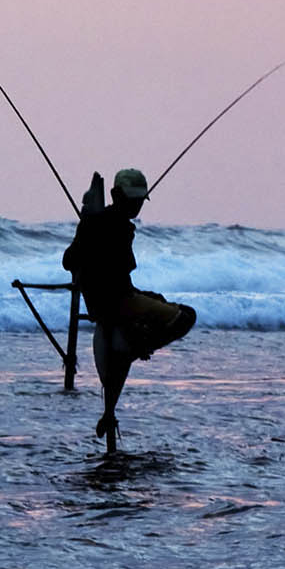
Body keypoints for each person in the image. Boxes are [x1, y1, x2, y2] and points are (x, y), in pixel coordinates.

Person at [62, 167, 198, 444]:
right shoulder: (117, 227)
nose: (135, 206)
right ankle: (138, 346)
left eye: (139, 200)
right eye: (131, 199)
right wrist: (91, 232)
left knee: (157, 302)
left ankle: (110, 407)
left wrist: (87, 230)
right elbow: (114, 277)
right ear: (115, 195)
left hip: (105, 302)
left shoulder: (95, 223)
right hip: (117, 302)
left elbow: (70, 262)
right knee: (186, 316)